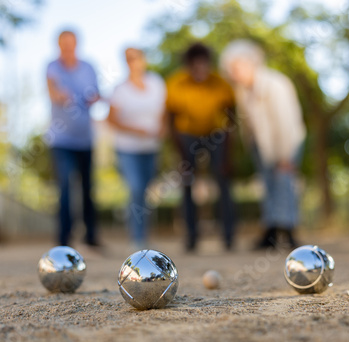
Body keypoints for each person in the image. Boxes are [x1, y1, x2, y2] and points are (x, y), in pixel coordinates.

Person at [220, 40, 306, 249]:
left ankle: (289, 232)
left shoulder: (275, 84)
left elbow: (287, 122)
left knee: (284, 184)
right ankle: (272, 231)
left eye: (237, 67)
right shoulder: (243, 91)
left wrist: (286, 154)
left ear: (251, 63)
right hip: (261, 147)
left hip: (286, 143)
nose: (233, 73)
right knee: (268, 187)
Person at [166, 43, 237, 252]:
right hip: (186, 136)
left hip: (216, 135)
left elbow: (231, 118)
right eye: (195, 65)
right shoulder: (176, 83)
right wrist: (181, 156)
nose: (200, 69)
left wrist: (227, 155)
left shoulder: (221, 83)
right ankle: (191, 237)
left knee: (223, 182)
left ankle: (229, 237)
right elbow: (171, 120)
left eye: (203, 64)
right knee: (188, 184)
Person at [45, 30, 101, 248]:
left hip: (85, 139)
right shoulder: (52, 66)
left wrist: (92, 98)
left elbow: (96, 94)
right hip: (61, 140)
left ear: (77, 44)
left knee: (88, 188)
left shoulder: (88, 67)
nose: (67, 48)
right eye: (63, 44)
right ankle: (64, 239)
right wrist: (61, 95)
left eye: (71, 43)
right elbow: (53, 91)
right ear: (58, 45)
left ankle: (91, 236)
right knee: (65, 187)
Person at [107, 48, 166, 249]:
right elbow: (111, 120)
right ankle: (137, 237)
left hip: (151, 147)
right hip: (127, 148)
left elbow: (164, 112)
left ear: (143, 60)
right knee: (136, 188)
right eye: (129, 59)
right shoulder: (121, 90)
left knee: (147, 190)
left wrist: (161, 129)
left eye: (136, 58)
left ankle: (144, 234)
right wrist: (136, 130)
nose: (133, 62)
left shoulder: (156, 83)